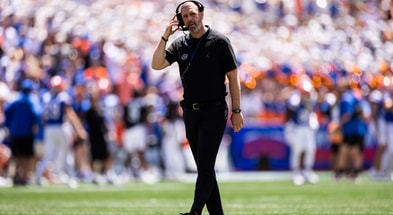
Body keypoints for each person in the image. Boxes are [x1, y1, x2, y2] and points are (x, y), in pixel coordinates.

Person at [151, 1, 244, 215]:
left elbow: (233, 77)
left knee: (204, 166)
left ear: (202, 14)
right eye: (185, 16)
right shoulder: (180, 44)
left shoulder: (219, 41)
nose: (189, 19)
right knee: (205, 168)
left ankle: (194, 212)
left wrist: (236, 110)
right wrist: (165, 35)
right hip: (191, 112)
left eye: (192, 14)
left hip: (215, 110)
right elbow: (156, 64)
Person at [4, 79, 41, 185]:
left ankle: (17, 175)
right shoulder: (31, 100)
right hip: (27, 133)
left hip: (15, 132)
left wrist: (8, 126)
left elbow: (6, 112)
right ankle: (24, 176)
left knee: (17, 156)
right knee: (27, 156)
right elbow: (37, 113)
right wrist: (36, 126)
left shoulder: (15, 99)